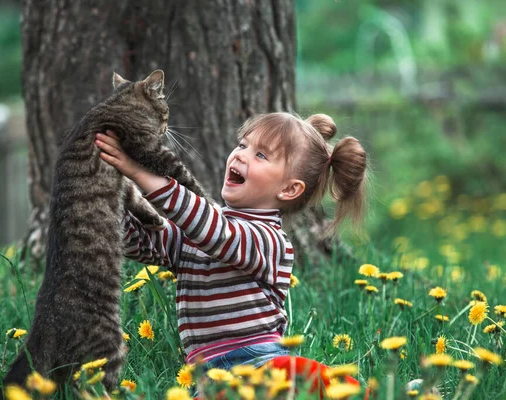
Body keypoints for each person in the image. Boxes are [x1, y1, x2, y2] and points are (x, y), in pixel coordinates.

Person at [94, 112, 369, 397]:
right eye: (242, 145)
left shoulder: (269, 241)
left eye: (261, 155)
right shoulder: (201, 229)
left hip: (262, 364)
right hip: (208, 377)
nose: (240, 155)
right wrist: (103, 200)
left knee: (297, 373)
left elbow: (217, 234)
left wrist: (140, 173)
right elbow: (145, 242)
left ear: (289, 189)